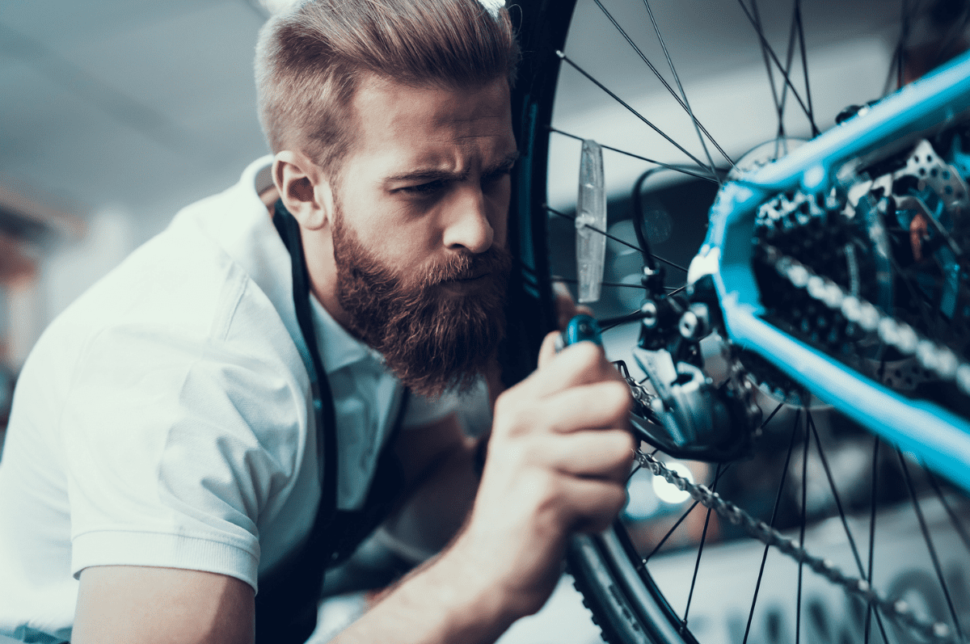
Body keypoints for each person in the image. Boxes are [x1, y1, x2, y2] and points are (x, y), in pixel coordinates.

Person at [0, 1, 634, 642]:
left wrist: (525, 455)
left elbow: (422, 504)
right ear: (304, 192)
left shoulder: (383, 292)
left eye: (496, 174)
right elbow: (467, 560)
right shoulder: (184, 372)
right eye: (422, 188)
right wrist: (479, 580)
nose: (478, 229)